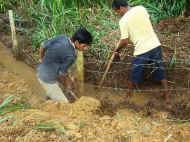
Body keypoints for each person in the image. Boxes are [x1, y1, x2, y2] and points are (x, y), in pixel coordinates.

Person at [112, 0, 170, 102]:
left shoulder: (123, 21)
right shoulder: (141, 8)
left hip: (141, 50)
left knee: (135, 74)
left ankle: (128, 96)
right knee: (160, 70)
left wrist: (117, 50)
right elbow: (147, 22)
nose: (118, 14)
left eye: (117, 11)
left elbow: (125, 41)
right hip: (155, 44)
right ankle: (167, 96)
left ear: (121, 8)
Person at [37, 27, 92, 102]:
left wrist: (41, 59)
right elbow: (61, 74)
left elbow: (43, 45)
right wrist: (68, 84)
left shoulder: (62, 37)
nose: (86, 49)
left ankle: (49, 100)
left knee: (56, 91)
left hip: (41, 69)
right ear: (76, 42)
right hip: (47, 79)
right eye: (84, 46)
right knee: (65, 105)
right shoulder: (71, 56)